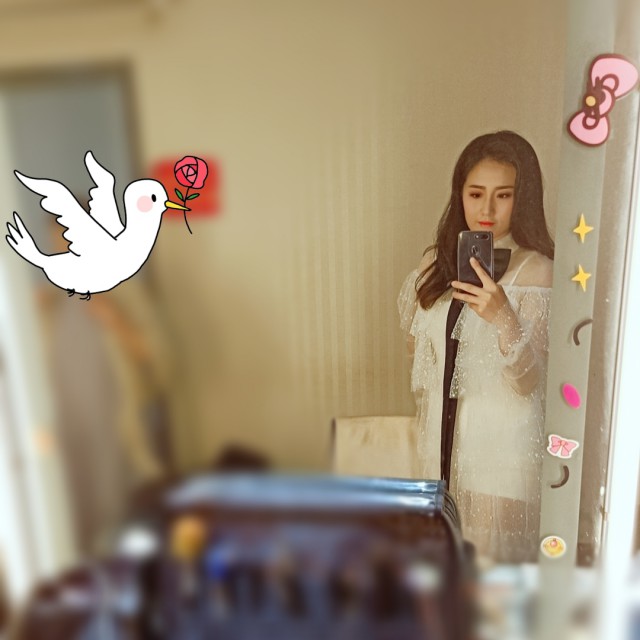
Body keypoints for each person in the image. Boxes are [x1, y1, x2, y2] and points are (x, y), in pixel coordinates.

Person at [397, 131, 554, 563]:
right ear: (459, 195)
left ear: (523, 199)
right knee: (440, 577)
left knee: (490, 585)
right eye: (475, 193)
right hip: (440, 455)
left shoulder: (537, 272)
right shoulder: (434, 265)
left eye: (503, 195)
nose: (486, 210)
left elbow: (530, 383)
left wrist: (503, 315)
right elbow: (419, 362)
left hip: (501, 459)